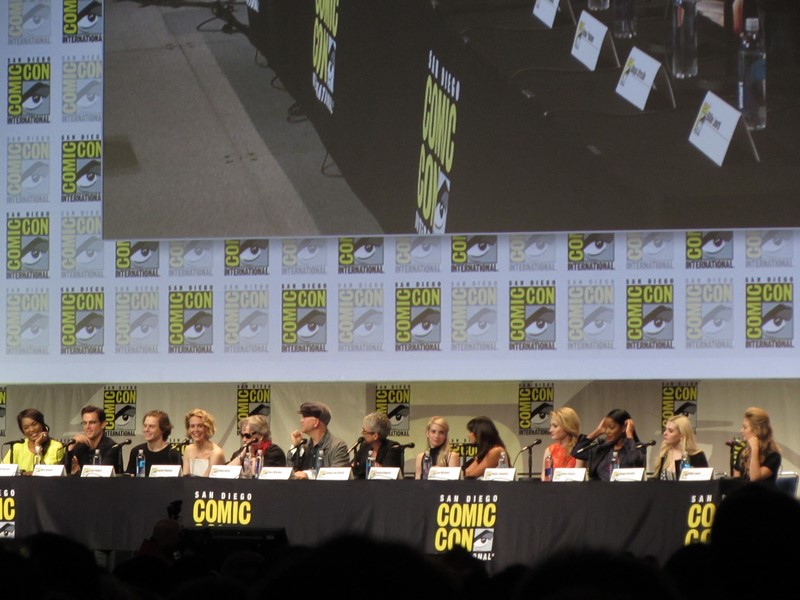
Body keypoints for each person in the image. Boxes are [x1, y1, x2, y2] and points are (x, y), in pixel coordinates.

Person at [570, 408, 646, 481]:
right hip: (600, 489)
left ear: (623, 428)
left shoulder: (637, 448)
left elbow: (635, 460)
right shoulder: (602, 449)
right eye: (605, 428)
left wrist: (629, 434)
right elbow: (577, 453)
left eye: (611, 428)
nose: (607, 431)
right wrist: (598, 430)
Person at [287, 401, 349, 479]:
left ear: (316, 422)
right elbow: (291, 475)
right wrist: (295, 446)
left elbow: (338, 476)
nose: (301, 420)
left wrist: (309, 475)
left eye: (304, 417)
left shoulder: (338, 446)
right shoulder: (303, 446)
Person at [1, 408, 65, 473]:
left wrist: (37, 446)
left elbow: (46, 472)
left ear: (42, 424)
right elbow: (3, 471)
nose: (31, 429)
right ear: (22, 430)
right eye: (26, 427)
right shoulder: (17, 446)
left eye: (34, 424)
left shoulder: (56, 446)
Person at [68, 405, 123, 475]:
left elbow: (100, 474)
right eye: (84, 423)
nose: (87, 427)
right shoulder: (79, 446)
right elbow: (61, 471)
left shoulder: (112, 447)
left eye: (92, 422)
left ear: (103, 424)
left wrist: (78, 472)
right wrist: (71, 446)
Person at [124, 410, 183, 476]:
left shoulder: (172, 454)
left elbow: (180, 480)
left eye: (151, 426)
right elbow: (129, 479)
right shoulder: (136, 452)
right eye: (145, 426)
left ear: (163, 429)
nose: (146, 429)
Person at [732, 405, 781, 484]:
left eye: (745, 427)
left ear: (757, 430)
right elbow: (735, 483)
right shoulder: (742, 452)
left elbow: (755, 479)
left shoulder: (773, 455)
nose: (741, 431)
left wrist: (755, 449)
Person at [652, 414, 709, 480]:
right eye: (665, 430)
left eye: (670, 431)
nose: (665, 433)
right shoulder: (664, 454)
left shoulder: (697, 456)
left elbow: (705, 483)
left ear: (682, 434)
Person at [351, 412, 402, 479]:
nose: (362, 433)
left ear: (375, 436)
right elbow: (353, 466)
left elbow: (387, 474)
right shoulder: (364, 447)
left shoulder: (392, 448)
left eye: (364, 431)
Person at [182, 408, 226, 477]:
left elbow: (205, 481)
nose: (196, 430)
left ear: (207, 428)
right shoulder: (188, 449)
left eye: (200, 426)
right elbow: (185, 478)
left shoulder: (216, 452)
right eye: (192, 426)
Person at [541, 407, 580, 481]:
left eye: (555, 426)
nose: (550, 430)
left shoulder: (580, 450)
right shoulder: (550, 450)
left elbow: (579, 479)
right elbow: (545, 479)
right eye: (551, 426)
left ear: (567, 426)